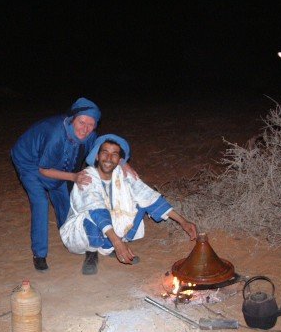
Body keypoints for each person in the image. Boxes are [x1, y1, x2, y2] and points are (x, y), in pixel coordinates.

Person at [11, 98, 135, 272]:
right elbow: (44, 170)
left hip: (52, 161)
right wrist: (73, 176)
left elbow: (106, 150)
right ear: (72, 119)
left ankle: (71, 238)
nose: (85, 129)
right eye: (81, 122)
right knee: (40, 202)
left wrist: (124, 163)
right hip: (28, 160)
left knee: (66, 201)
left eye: (90, 125)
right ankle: (39, 254)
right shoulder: (55, 135)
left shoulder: (90, 135)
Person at [60, 134, 198, 275]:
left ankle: (109, 246)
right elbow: (96, 210)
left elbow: (149, 196)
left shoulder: (123, 174)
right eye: (105, 152)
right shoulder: (86, 177)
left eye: (114, 154)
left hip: (111, 226)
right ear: (96, 156)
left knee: (142, 201)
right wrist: (118, 242)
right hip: (84, 229)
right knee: (93, 215)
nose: (108, 158)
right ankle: (92, 252)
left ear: (119, 160)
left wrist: (183, 222)